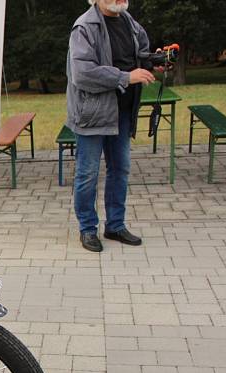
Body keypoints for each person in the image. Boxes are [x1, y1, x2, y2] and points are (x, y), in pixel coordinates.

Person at [66, 0, 156, 252]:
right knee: (87, 174)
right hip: (93, 114)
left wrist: (154, 62)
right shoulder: (84, 26)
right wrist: (125, 77)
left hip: (122, 112)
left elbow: (141, 55)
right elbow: (82, 73)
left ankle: (115, 225)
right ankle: (87, 228)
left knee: (121, 170)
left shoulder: (131, 23)